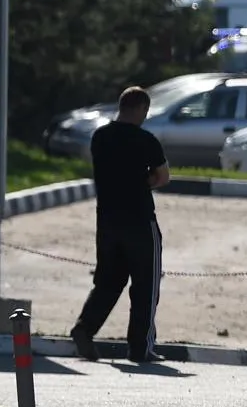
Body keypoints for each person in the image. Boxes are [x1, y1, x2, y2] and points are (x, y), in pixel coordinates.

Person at [71, 86, 172, 364]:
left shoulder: (100, 137)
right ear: (141, 109)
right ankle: (140, 348)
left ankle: (85, 328)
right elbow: (163, 176)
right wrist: (145, 181)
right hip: (139, 219)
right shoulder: (146, 140)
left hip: (107, 220)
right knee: (145, 285)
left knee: (108, 281)